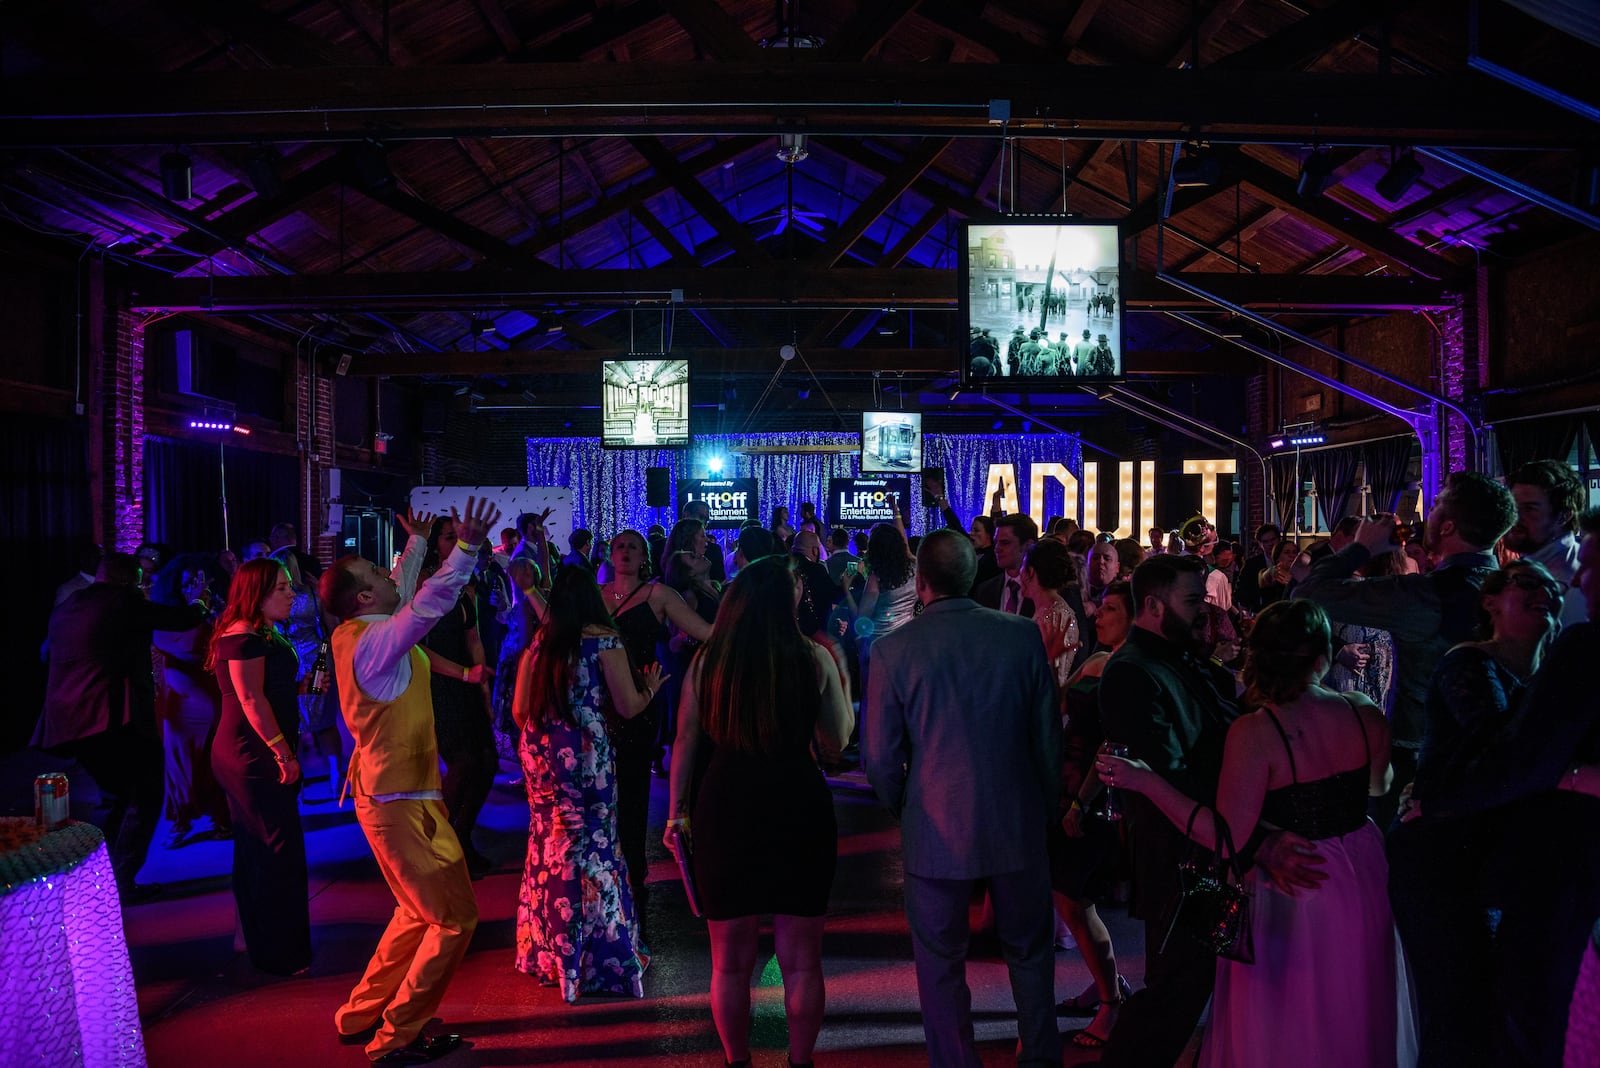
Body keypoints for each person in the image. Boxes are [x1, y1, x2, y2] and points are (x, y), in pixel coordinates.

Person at [1097, 599, 1414, 1067]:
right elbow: (1378, 784)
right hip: (1360, 871)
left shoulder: (1258, 731)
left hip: (1293, 889)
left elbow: (1223, 834)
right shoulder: (1362, 711)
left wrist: (1146, 780)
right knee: (1355, 1000)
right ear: (1323, 656)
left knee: (1290, 1014)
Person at [865, 530, 1062, 1067]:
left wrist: (906, 802)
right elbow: (1047, 738)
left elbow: (879, 758)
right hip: (1016, 818)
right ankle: (1042, 1058)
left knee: (940, 962)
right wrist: (1049, 807)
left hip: (934, 822)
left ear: (920, 582)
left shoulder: (892, 651)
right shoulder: (1021, 636)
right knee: (1030, 954)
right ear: (973, 576)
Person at [319, 500, 499, 1065]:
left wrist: (418, 545)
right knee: (454, 919)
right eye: (377, 572)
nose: (390, 568)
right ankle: (396, 1035)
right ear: (365, 598)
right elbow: (425, 605)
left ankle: (360, 1015)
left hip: (392, 798)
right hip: (400, 803)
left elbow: (400, 589)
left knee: (415, 913)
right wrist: (464, 550)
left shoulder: (356, 632)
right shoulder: (376, 639)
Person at [664, 557, 853, 1068]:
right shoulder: (811, 656)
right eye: (795, 582)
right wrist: (846, 682)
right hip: (797, 802)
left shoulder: (711, 660)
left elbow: (685, 739)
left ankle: (737, 1061)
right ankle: (800, 1061)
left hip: (726, 805)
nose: (800, 588)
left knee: (728, 964)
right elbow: (837, 741)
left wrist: (676, 813)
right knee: (801, 961)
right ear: (781, 596)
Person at [1388, 559, 1562, 1067]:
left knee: (1491, 1004)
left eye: (1550, 586)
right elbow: (1502, 754)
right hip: (1440, 854)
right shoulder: (1470, 663)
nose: (1542, 593)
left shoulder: (1549, 679)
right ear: (1489, 602)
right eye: (1525, 583)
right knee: (1456, 1007)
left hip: (1493, 856)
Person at [1295, 472, 1515, 831]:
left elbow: (1309, 593)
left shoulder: (1427, 596)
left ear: (1447, 527)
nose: (1427, 512)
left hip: (1422, 759)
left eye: (1437, 503)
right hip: (1492, 761)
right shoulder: (1512, 589)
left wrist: (1361, 547)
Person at [512, 566, 661, 1001]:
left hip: (540, 752)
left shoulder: (542, 642)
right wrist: (650, 688)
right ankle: (600, 954)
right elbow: (628, 706)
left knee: (548, 846)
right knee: (595, 846)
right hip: (585, 753)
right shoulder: (603, 639)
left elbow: (520, 709)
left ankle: (549, 953)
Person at [32, 552, 204, 898]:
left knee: (115, 797)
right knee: (146, 793)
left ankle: (92, 878)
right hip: (110, 717)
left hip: (68, 718)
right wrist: (201, 602)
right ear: (130, 579)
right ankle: (118, 881)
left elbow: (46, 653)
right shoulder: (123, 602)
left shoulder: (69, 605)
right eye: (141, 580)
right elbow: (180, 619)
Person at [600, 529, 713, 924]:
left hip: (642, 702)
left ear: (645, 557)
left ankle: (633, 878)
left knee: (631, 793)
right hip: (597, 709)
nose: (626, 551)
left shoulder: (660, 595)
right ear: (610, 555)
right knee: (599, 797)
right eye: (620, 545)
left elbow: (706, 633)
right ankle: (603, 877)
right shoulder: (595, 598)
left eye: (633, 546)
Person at [208, 558, 313, 976]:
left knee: (255, 846)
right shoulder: (243, 637)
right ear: (258, 594)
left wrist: (301, 686)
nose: (293, 595)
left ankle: (248, 934)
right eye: (283, 589)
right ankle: (277, 953)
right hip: (251, 755)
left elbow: (267, 689)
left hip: (254, 750)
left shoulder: (260, 631)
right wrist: (283, 754)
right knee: (276, 849)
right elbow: (250, 699)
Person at [1051, 581, 1136, 1048]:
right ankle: (1106, 984)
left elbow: (1113, 742)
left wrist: (1083, 801)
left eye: (1110, 609)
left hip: (1095, 792)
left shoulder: (1124, 668)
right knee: (1074, 899)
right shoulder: (1101, 658)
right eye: (1099, 607)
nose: (1098, 615)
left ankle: (1110, 1002)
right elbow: (1060, 702)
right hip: (1070, 784)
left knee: (1074, 898)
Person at [419, 516, 497, 879]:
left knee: (488, 762)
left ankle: (462, 837)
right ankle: (440, 844)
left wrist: (483, 689)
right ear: (436, 545)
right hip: (438, 684)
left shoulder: (467, 585)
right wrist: (465, 674)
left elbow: (474, 638)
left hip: (467, 682)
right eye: (452, 538)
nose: (459, 543)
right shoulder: (423, 586)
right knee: (463, 761)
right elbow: (417, 650)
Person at [150, 556, 230, 846]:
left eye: (200, 583)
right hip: (180, 703)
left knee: (215, 761)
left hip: (213, 697)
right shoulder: (168, 615)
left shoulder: (217, 615)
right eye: (186, 584)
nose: (192, 589)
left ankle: (220, 817)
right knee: (180, 765)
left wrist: (216, 612)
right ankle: (180, 821)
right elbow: (174, 646)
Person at [271, 546, 345, 804]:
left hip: (294, 662)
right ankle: (336, 774)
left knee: (296, 722)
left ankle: (298, 781)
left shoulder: (273, 598)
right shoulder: (312, 593)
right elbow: (332, 627)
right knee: (322, 720)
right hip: (318, 660)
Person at [1504, 459, 1586, 626]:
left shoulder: (1568, 583)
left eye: (1530, 509)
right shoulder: (1529, 567)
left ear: (1564, 516)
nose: (1515, 517)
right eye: (1512, 506)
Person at [1018, 538, 1082, 686]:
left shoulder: (1055, 616)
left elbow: (1053, 674)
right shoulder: (1047, 610)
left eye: (1023, 565)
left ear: (1031, 571)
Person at [974, 512, 1039, 617]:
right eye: (996, 543)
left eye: (1005, 543)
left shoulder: (1044, 591)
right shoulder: (984, 591)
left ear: (1028, 545)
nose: (997, 549)